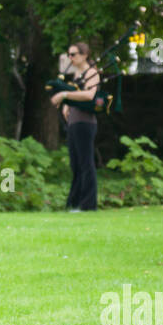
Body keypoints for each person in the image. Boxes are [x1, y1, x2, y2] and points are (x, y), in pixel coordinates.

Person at [50, 42, 101, 212]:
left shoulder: (92, 73)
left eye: (74, 54)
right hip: (73, 123)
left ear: (84, 55)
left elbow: (89, 95)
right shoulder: (77, 75)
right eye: (69, 54)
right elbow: (76, 96)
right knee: (76, 164)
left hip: (85, 123)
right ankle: (75, 202)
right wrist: (67, 105)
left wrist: (64, 95)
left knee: (86, 163)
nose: (71, 58)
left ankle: (88, 205)